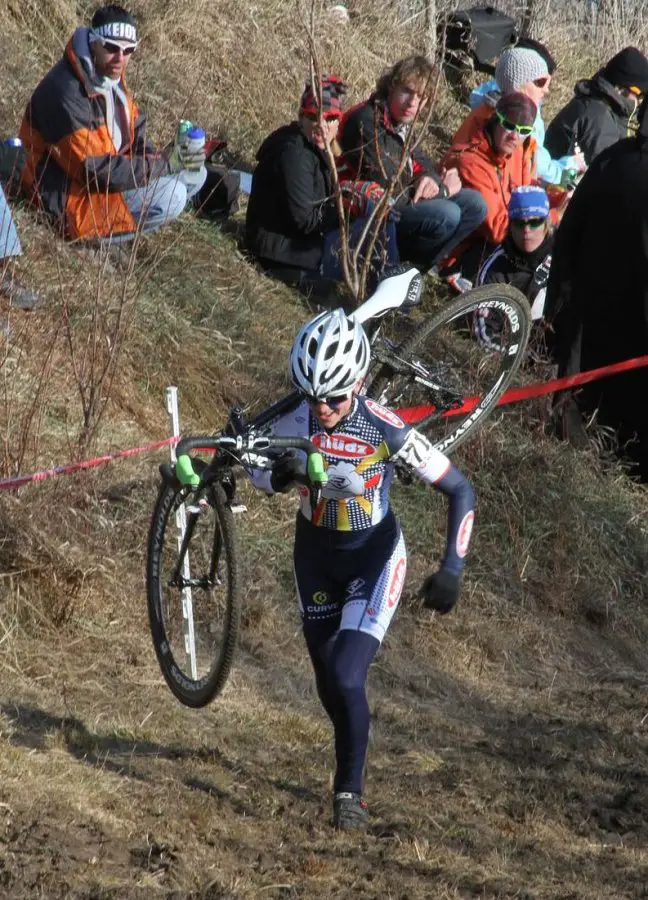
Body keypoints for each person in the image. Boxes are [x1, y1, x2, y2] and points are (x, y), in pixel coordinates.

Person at [249, 309, 475, 829]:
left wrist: (452, 569)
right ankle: (352, 747)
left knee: (349, 676)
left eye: (334, 398)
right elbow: (253, 468)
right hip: (314, 556)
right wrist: (275, 478)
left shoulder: (385, 429)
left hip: (374, 556)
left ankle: (349, 794)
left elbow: (460, 489)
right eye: (313, 397)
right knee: (330, 681)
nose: (322, 409)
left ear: (358, 383)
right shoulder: (295, 417)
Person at [19, 4, 206, 243]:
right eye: (111, 47)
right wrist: (165, 165)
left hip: (104, 180)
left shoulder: (108, 74)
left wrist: (162, 160)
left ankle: (117, 232)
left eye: (129, 50)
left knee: (196, 173)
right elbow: (95, 172)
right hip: (66, 198)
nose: (120, 58)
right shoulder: (66, 92)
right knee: (174, 195)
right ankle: (94, 240)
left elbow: (135, 131)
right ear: (93, 42)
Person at [545, 94, 648, 480]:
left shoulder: (612, 158)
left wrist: (560, 298)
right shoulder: (618, 162)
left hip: (587, 316)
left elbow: (569, 230)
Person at [245, 75, 397, 298]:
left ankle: (382, 291)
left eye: (331, 118)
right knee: (378, 227)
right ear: (301, 117)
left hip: (295, 246)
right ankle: (388, 297)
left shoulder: (319, 150)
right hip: (282, 254)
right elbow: (305, 220)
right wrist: (347, 206)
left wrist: (351, 194)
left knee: (381, 215)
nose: (322, 125)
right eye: (314, 117)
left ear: (339, 120)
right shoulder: (294, 153)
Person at [338, 55, 487, 271]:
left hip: (402, 202)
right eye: (407, 91)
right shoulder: (367, 121)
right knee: (447, 214)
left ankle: (419, 269)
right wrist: (443, 190)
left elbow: (424, 162)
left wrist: (431, 179)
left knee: (475, 204)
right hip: (373, 213)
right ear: (391, 86)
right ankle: (397, 270)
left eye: (421, 97)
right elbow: (390, 188)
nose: (412, 103)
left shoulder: (400, 123)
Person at [440, 92, 537, 283]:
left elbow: (527, 198)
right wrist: (547, 223)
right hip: (461, 255)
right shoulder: (470, 161)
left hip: (497, 242)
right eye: (509, 126)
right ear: (495, 119)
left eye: (524, 130)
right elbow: (499, 229)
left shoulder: (514, 153)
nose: (515, 137)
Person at [459, 41, 585, 188]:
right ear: (519, 83)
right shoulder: (512, 128)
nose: (546, 90)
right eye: (540, 82)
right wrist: (573, 170)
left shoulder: (488, 106)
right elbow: (539, 174)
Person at [545, 46, 648, 166]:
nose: (641, 101)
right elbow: (607, 174)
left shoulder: (603, 106)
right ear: (620, 89)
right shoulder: (599, 118)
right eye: (640, 94)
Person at [477, 185, 553, 321]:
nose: (527, 230)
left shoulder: (564, 250)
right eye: (519, 223)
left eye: (535, 222)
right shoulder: (494, 270)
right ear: (510, 225)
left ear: (546, 223)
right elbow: (486, 333)